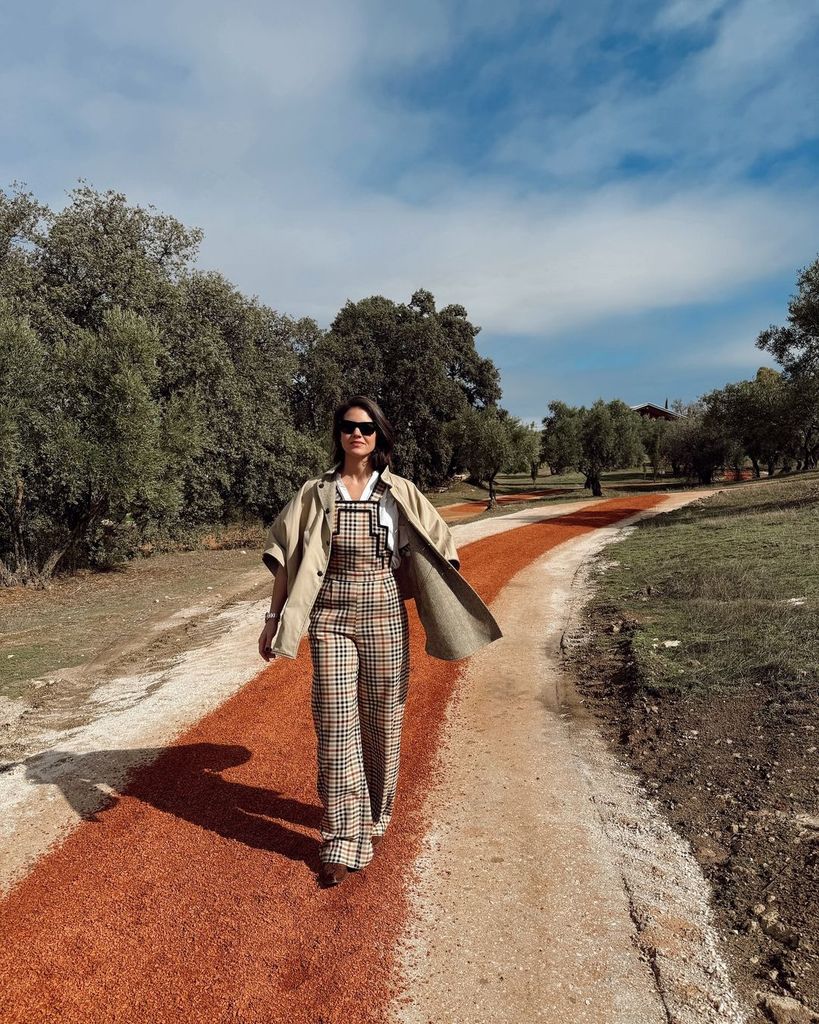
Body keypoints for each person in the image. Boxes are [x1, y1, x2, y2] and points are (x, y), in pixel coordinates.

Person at [258, 396, 502, 888]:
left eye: (367, 428)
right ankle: (342, 837)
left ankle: (373, 810)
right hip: (330, 613)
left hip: (385, 610)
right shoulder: (314, 492)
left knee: (383, 717)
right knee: (333, 720)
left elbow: (440, 549)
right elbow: (286, 556)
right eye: (349, 427)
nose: (358, 435)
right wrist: (272, 617)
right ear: (338, 434)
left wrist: (437, 592)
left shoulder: (400, 493)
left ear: (379, 436)